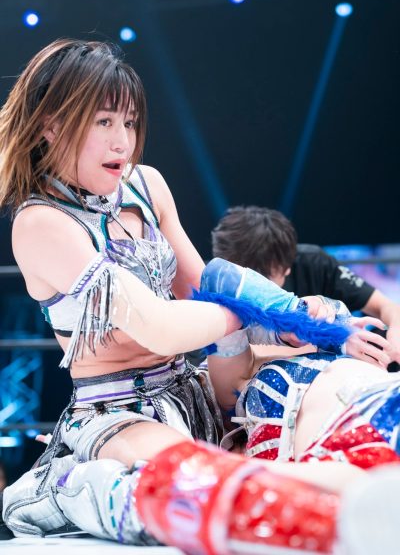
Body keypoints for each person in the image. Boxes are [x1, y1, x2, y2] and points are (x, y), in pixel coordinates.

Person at [0, 38, 393, 552]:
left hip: (196, 385)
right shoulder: (40, 223)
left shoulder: (146, 185)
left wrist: (300, 324)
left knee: (336, 382)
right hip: (117, 415)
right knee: (193, 482)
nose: (123, 141)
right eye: (103, 122)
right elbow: (160, 327)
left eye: (129, 122)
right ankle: (346, 510)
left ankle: (367, 487)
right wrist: (267, 311)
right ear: (51, 126)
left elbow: (202, 286)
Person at [212, 205, 400, 362]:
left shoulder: (314, 263)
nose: (257, 290)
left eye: (265, 280)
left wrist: (396, 335)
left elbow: (387, 307)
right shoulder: (213, 286)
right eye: (242, 281)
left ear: (287, 267)